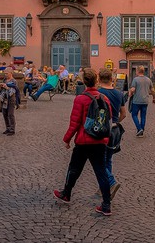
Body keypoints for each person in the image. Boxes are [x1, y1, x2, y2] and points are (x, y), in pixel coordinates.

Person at [54, 68, 114, 217]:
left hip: (83, 141)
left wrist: (67, 139)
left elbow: (74, 123)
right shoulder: (104, 98)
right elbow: (109, 118)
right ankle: (106, 204)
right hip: (99, 140)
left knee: (74, 169)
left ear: (84, 82)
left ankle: (66, 193)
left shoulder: (80, 99)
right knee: (101, 172)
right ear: (96, 80)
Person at [97, 68, 127, 198]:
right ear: (112, 79)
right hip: (115, 129)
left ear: (99, 79)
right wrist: (115, 122)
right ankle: (103, 187)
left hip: (101, 130)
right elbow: (124, 114)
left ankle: (111, 182)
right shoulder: (119, 94)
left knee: (99, 161)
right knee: (108, 159)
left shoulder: (98, 93)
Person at [128, 66, 152, 137]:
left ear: (138, 71)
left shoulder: (135, 79)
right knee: (143, 116)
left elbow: (132, 89)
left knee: (134, 114)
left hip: (137, 100)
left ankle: (139, 128)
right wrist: (154, 97)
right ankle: (142, 129)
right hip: (145, 101)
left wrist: (130, 93)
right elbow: (152, 89)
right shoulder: (148, 79)